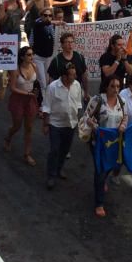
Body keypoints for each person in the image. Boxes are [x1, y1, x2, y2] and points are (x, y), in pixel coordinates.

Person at [81, 76, 127, 218]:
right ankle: (99, 203)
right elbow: (86, 117)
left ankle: (101, 183)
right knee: (100, 170)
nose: (116, 89)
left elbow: (125, 116)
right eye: (113, 86)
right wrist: (94, 127)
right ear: (106, 86)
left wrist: (123, 125)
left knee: (111, 167)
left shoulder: (121, 101)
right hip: (98, 142)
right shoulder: (98, 100)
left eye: (118, 86)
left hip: (113, 143)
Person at [41, 62, 83, 190]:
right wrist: (45, 125)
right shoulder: (53, 87)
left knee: (65, 150)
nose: (75, 77)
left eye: (75, 74)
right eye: (72, 75)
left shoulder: (77, 85)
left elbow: (78, 104)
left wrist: (79, 121)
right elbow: (46, 106)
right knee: (54, 150)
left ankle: (59, 169)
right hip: (55, 124)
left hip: (70, 124)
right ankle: (51, 175)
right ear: (64, 76)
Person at [4, 46, 40, 166]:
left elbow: (36, 83)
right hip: (18, 100)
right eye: (29, 55)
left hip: (31, 100)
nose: (32, 57)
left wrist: (36, 94)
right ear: (22, 57)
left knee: (29, 128)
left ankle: (27, 154)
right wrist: (28, 93)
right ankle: (9, 137)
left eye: (32, 54)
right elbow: (13, 88)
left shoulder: (34, 66)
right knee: (17, 125)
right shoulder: (15, 70)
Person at [47, 31, 89, 100]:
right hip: (60, 94)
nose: (70, 44)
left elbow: (84, 76)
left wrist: (86, 93)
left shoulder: (79, 57)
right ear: (62, 45)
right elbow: (51, 80)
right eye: (67, 42)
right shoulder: (56, 60)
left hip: (77, 93)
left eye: (72, 42)